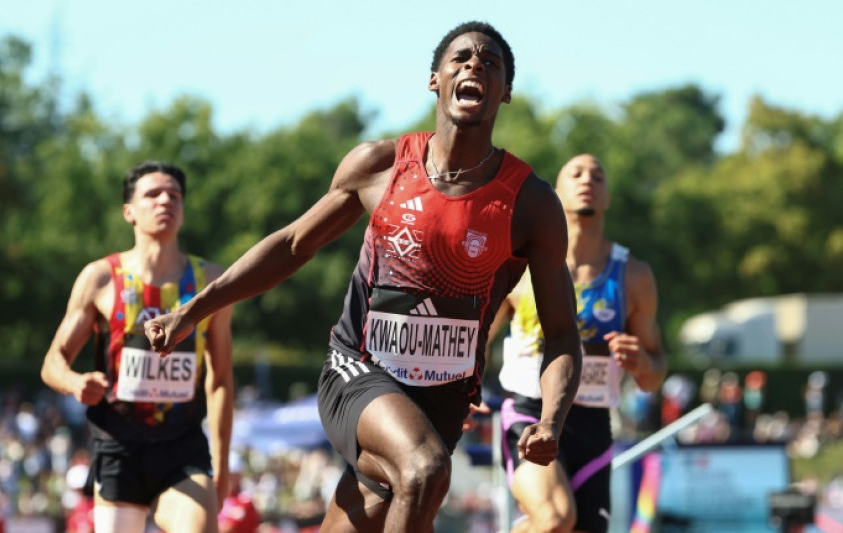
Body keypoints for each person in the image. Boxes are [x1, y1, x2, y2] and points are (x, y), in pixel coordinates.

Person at [144, 21, 582, 533]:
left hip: (443, 398)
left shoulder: (531, 202)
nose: (474, 66)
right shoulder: (380, 166)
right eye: (461, 58)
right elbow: (291, 245)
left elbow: (561, 335)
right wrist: (195, 309)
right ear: (434, 79)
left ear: (504, 92)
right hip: (357, 368)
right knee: (425, 470)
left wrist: (551, 419)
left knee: (375, 512)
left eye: (490, 63)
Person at [41, 161, 235, 533]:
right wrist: (73, 383)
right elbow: (52, 362)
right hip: (118, 445)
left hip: (183, 447)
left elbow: (222, 378)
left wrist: (222, 466)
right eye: (153, 194)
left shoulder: (211, 281)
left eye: (175, 195)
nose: (166, 200)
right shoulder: (100, 277)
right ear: (129, 212)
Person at [494, 154, 666, 532]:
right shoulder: (518, 264)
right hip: (530, 412)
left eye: (598, 175)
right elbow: (474, 344)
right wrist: (461, 396)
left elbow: (654, 377)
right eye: (576, 173)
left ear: (607, 199)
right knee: (555, 518)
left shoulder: (634, 276)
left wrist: (641, 364)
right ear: (556, 194)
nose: (588, 179)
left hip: (593, 423)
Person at [217, 452, 260, 533]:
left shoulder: (244, 501)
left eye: (230, 475)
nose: (226, 479)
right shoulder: (215, 500)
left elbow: (228, 529)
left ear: (238, 476)